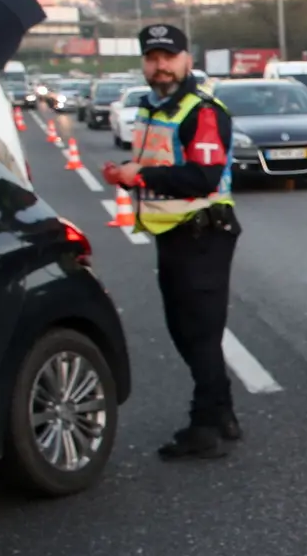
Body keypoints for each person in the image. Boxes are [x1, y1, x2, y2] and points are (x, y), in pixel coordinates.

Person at [103, 24, 243, 461]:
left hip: (202, 235)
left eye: (168, 57)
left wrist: (139, 175)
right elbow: (161, 161)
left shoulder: (200, 111)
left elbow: (202, 176)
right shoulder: (151, 108)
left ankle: (204, 428)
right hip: (173, 234)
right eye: (152, 58)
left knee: (198, 333)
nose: (160, 66)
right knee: (186, 332)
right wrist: (130, 172)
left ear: (187, 59)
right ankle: (221, 411)